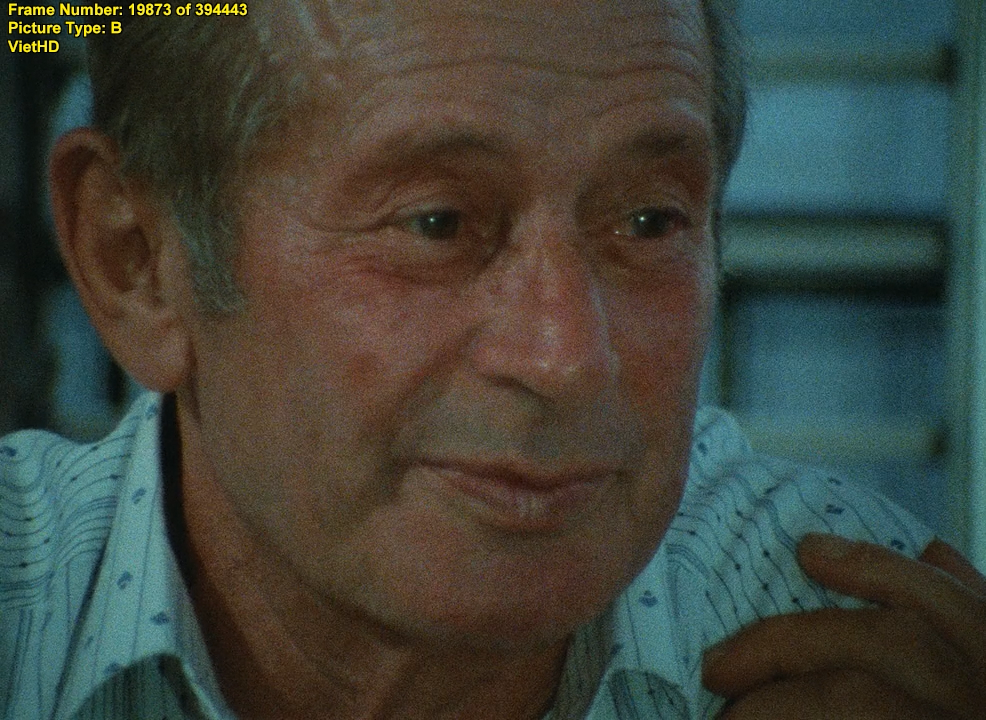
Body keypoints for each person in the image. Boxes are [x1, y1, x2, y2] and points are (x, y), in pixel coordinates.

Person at [2, 1, 985, 718]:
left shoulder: (867, 642)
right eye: (436, 223)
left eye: (648, 222)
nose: (566, 356)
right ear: (137, 262)